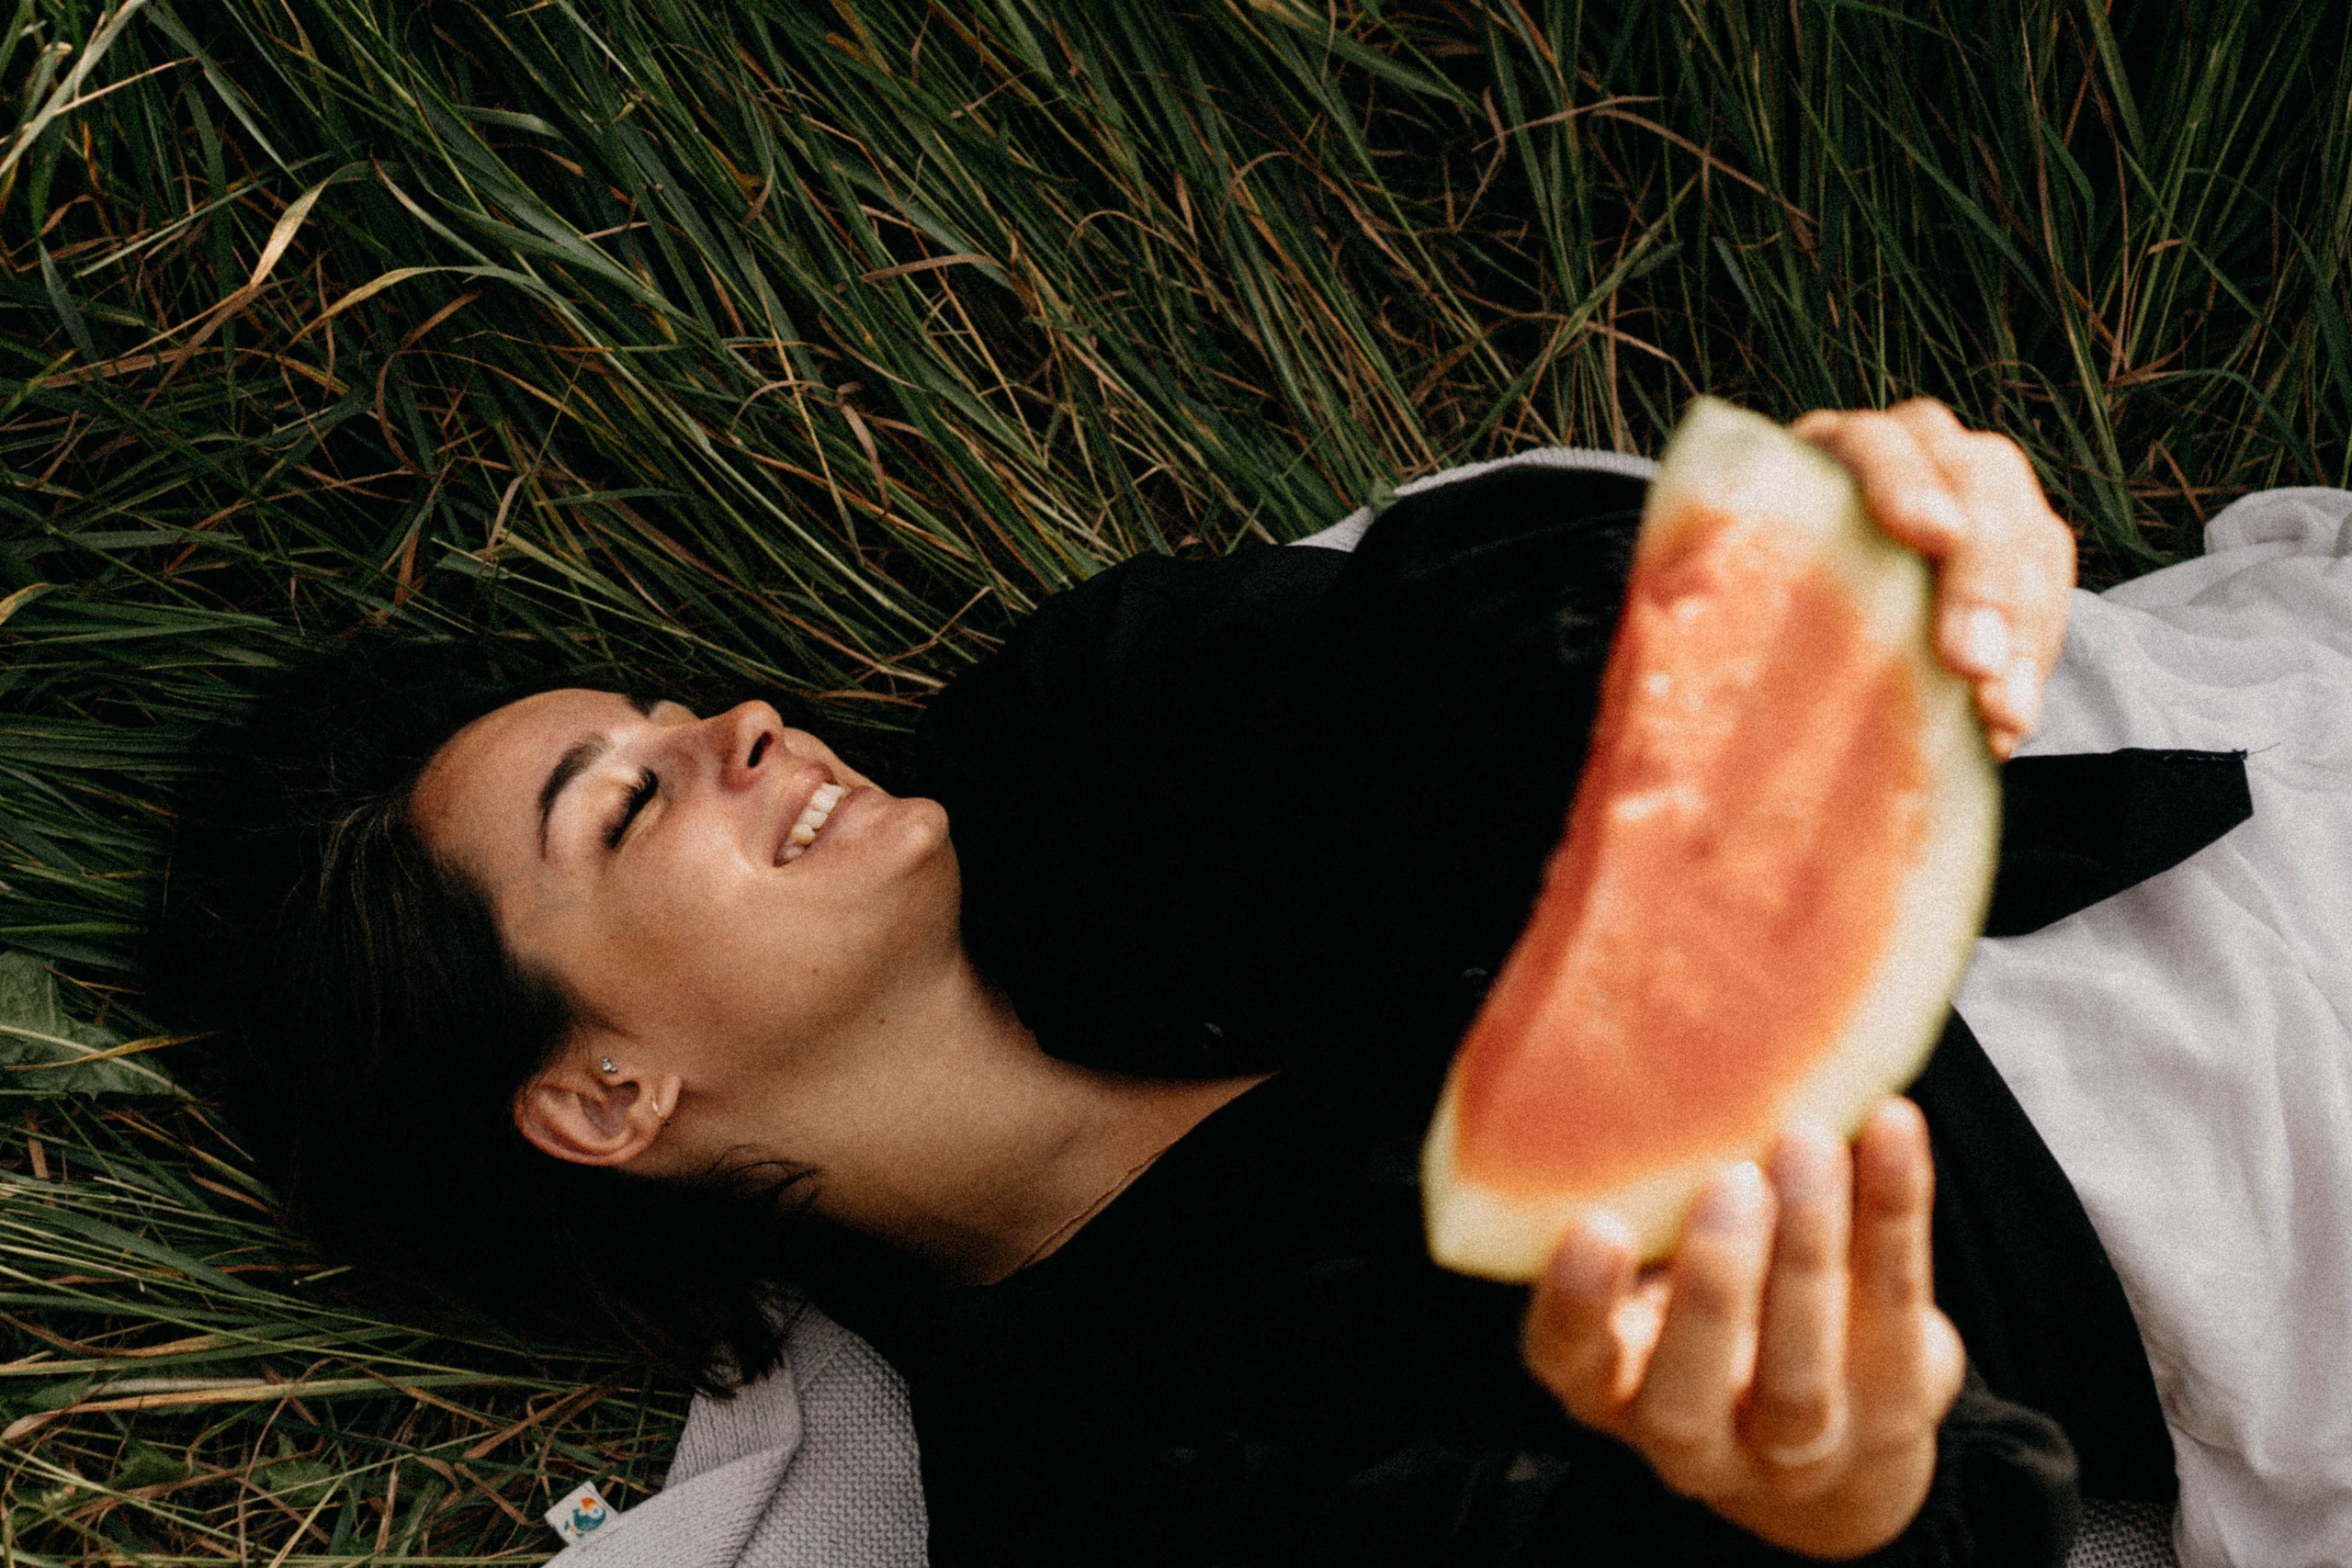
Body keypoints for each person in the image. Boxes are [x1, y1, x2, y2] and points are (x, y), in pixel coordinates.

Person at [154, 401, 2197, 1564]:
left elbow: (1485, 644)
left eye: (687, 705)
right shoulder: (1123, 1495)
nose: (749, 728)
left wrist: (1798, 541)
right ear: (600, 1094)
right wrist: (1862, 1500)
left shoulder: (1087, 735)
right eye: (628, 799)